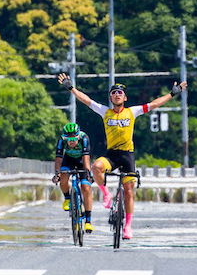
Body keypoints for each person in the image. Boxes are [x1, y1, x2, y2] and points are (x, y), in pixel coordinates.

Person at [57, 73, 187, 240]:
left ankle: (128, 226)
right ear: (110, 97)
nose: (116, 94)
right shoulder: (105, 112)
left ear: (125, 97)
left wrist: (172, 93)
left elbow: (154, 104)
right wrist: (71, 88)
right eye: (113, 92)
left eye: (120, 93)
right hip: (111, 154)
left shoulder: (132, 111)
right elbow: (86, 100)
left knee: (128, 191)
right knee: (96, 167)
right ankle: (106, 193)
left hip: (127, 155)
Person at [52, 122, 94, 233]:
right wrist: (57, 173)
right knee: (63, 176)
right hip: (68, 160)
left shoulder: (84, 138)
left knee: (86, 187)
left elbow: (86, 157)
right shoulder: (61, 140)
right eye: (68, 138)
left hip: (82, 160)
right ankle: (67, 198)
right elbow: (59, 157)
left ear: (78, 135)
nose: (71, 141)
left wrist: (88, 173)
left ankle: (88, 221)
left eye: (73, 138)